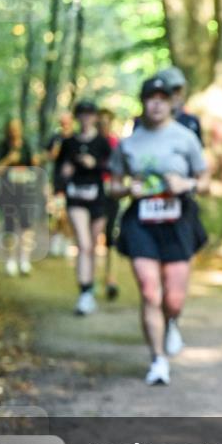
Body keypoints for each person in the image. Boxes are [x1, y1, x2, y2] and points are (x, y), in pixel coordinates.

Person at [109, 76, 209, 385]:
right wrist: (127, 189)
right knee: (150, 291)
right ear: (142, 102)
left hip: (178, 221)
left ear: (171, 103)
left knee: (173, 299)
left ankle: (172, 323)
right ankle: (158, 360)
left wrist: (187, 184)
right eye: (150, 97)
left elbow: (205, 182)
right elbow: (112, 185)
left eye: (162, 98)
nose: (156, 103)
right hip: (141, 221)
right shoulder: (129, 143)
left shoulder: (185, 137)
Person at [57, 100, 113, 315]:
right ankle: (84, 292)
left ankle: (90, 284)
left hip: (97, 198)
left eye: (90, 113)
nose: (86, 117)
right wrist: (64, 175)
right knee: (83, 243)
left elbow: (112, 166)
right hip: (76, 198)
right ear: (77, 117)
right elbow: (59, 170)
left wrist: (95, 164)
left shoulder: (102, 142)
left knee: (91, 247)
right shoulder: (69, 142)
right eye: (82, 113)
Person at [0, 118, 43, 276]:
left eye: (17, 128)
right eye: (11, 128)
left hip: (26, 192)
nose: (14, 131)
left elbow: (35, 167)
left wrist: (35, 163)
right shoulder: (1, 147)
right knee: (9, 225)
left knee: (27, 225)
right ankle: (10, 260)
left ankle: (24, 260)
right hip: (7, 193)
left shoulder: (27, 145)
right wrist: (9, 159)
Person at [133, 66, 204, 144]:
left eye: (179, 90)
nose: (176, 95)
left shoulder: (191, 121)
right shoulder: (141, 123)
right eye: (172, 90)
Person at [98, 107, 122, 301]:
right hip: (92, 195)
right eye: (101, 121)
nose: (104, 124)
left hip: (111, 194)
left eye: (107, 121)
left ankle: (110, 278)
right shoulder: (91, 142)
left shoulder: (116, 143)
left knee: (110, 238)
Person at [44, 112, 75, 257]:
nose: (64, 124)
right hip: (59, 181)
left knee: (69, 213)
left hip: (75, 182)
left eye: (67, 121)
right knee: (58, 212)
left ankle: (66, 241)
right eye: (62, 122)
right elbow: (48, 156)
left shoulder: (77, 137)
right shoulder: (56, 138)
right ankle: (56, 240)